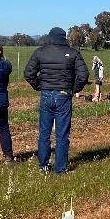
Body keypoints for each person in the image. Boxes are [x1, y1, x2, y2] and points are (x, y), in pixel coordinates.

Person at [24, 27, 89, 174]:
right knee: (62, 134)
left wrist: (38, 86)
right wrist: (74, 89)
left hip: (46, 95)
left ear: (50, 37)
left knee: (44, 133)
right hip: (64, 95)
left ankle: (43, 165)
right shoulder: (73, 53)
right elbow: (83, 75)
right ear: (63, 37)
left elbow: (28, 73)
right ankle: (60, 169)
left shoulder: (40, 52)